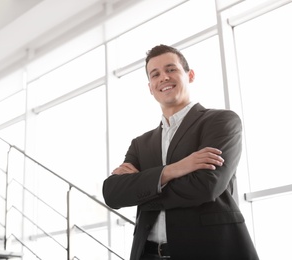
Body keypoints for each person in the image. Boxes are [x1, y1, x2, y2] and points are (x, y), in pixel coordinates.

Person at [102, 44, 259, 260]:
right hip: (147, 254)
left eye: (171, 69)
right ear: (150, 87)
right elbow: (112, 194)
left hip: (209, 250)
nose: (163, 77)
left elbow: (206, 186)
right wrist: (175, 169)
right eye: (155, 74)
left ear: (190, 75)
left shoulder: (221, 121)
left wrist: (142, 187)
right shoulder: (140, 143)